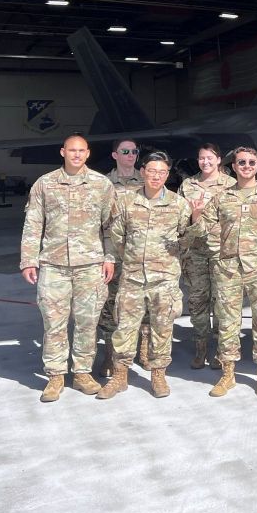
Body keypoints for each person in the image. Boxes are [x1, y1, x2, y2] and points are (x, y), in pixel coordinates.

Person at [19, 134, 116, 402]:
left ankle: (83, 372)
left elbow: (110, 226)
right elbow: (33, 224)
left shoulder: (101, 184)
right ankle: (55, 375)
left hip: (90, 265)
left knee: (87, 322)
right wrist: (29, 259)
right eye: (71, 150)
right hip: (54, 265)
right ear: (63, 152)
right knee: (54, 323)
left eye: (81, 151)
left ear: (87, 153)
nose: (76, 155)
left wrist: (110, 258)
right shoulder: (45, 184)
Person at [97, 152, 193, 400]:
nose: (156, 176)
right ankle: (120, 376)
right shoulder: (127, 202)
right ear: (143, 172)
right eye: (152, 171)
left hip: (165, 279)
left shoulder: (178, 205)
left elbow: (185, 239)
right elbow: (118, 237)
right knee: (125, 329)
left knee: (162, 328)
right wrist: (133, 257)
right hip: (132, 279)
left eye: (162, 172)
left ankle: (158, 374)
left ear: (167, 175)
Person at [197, 146, 257, 398]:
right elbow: (208, 228)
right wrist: (218, 255)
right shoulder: (222, 198)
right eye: (241, 163)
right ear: (233, 167)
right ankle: (228, 373)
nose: (246, 166)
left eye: (251, 163)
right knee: (227, 322)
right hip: (228, 271)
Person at [178, 143, 235, 370]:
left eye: (210, 158)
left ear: (219, 160)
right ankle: (201, 347)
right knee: (197, 301)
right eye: (202, 158)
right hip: (196, 252)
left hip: (222, 251)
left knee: (223, 301)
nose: (206, 162)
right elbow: (181, 220)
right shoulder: (188, 185)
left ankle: (222, 349)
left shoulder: (230, 184)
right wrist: (194, 215)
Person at [97, 138, 147, 377]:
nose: (130, 155)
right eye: (125, 151)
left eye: (134, 151)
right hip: (113, 252)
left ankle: (145, 349)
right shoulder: (104, 184)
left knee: (144, 301)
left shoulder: (147, 179)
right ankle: (110, 353)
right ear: (115, 155)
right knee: (110, 303)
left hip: (141, 252)